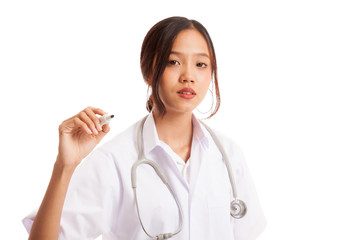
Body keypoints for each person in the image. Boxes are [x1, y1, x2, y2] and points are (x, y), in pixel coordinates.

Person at [23, 16, 266, 240]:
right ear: (149, 71)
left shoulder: (229, 155)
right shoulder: (115, 160)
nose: (189, 76)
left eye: (201, 64)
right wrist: (64, 167)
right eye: (174, 62)